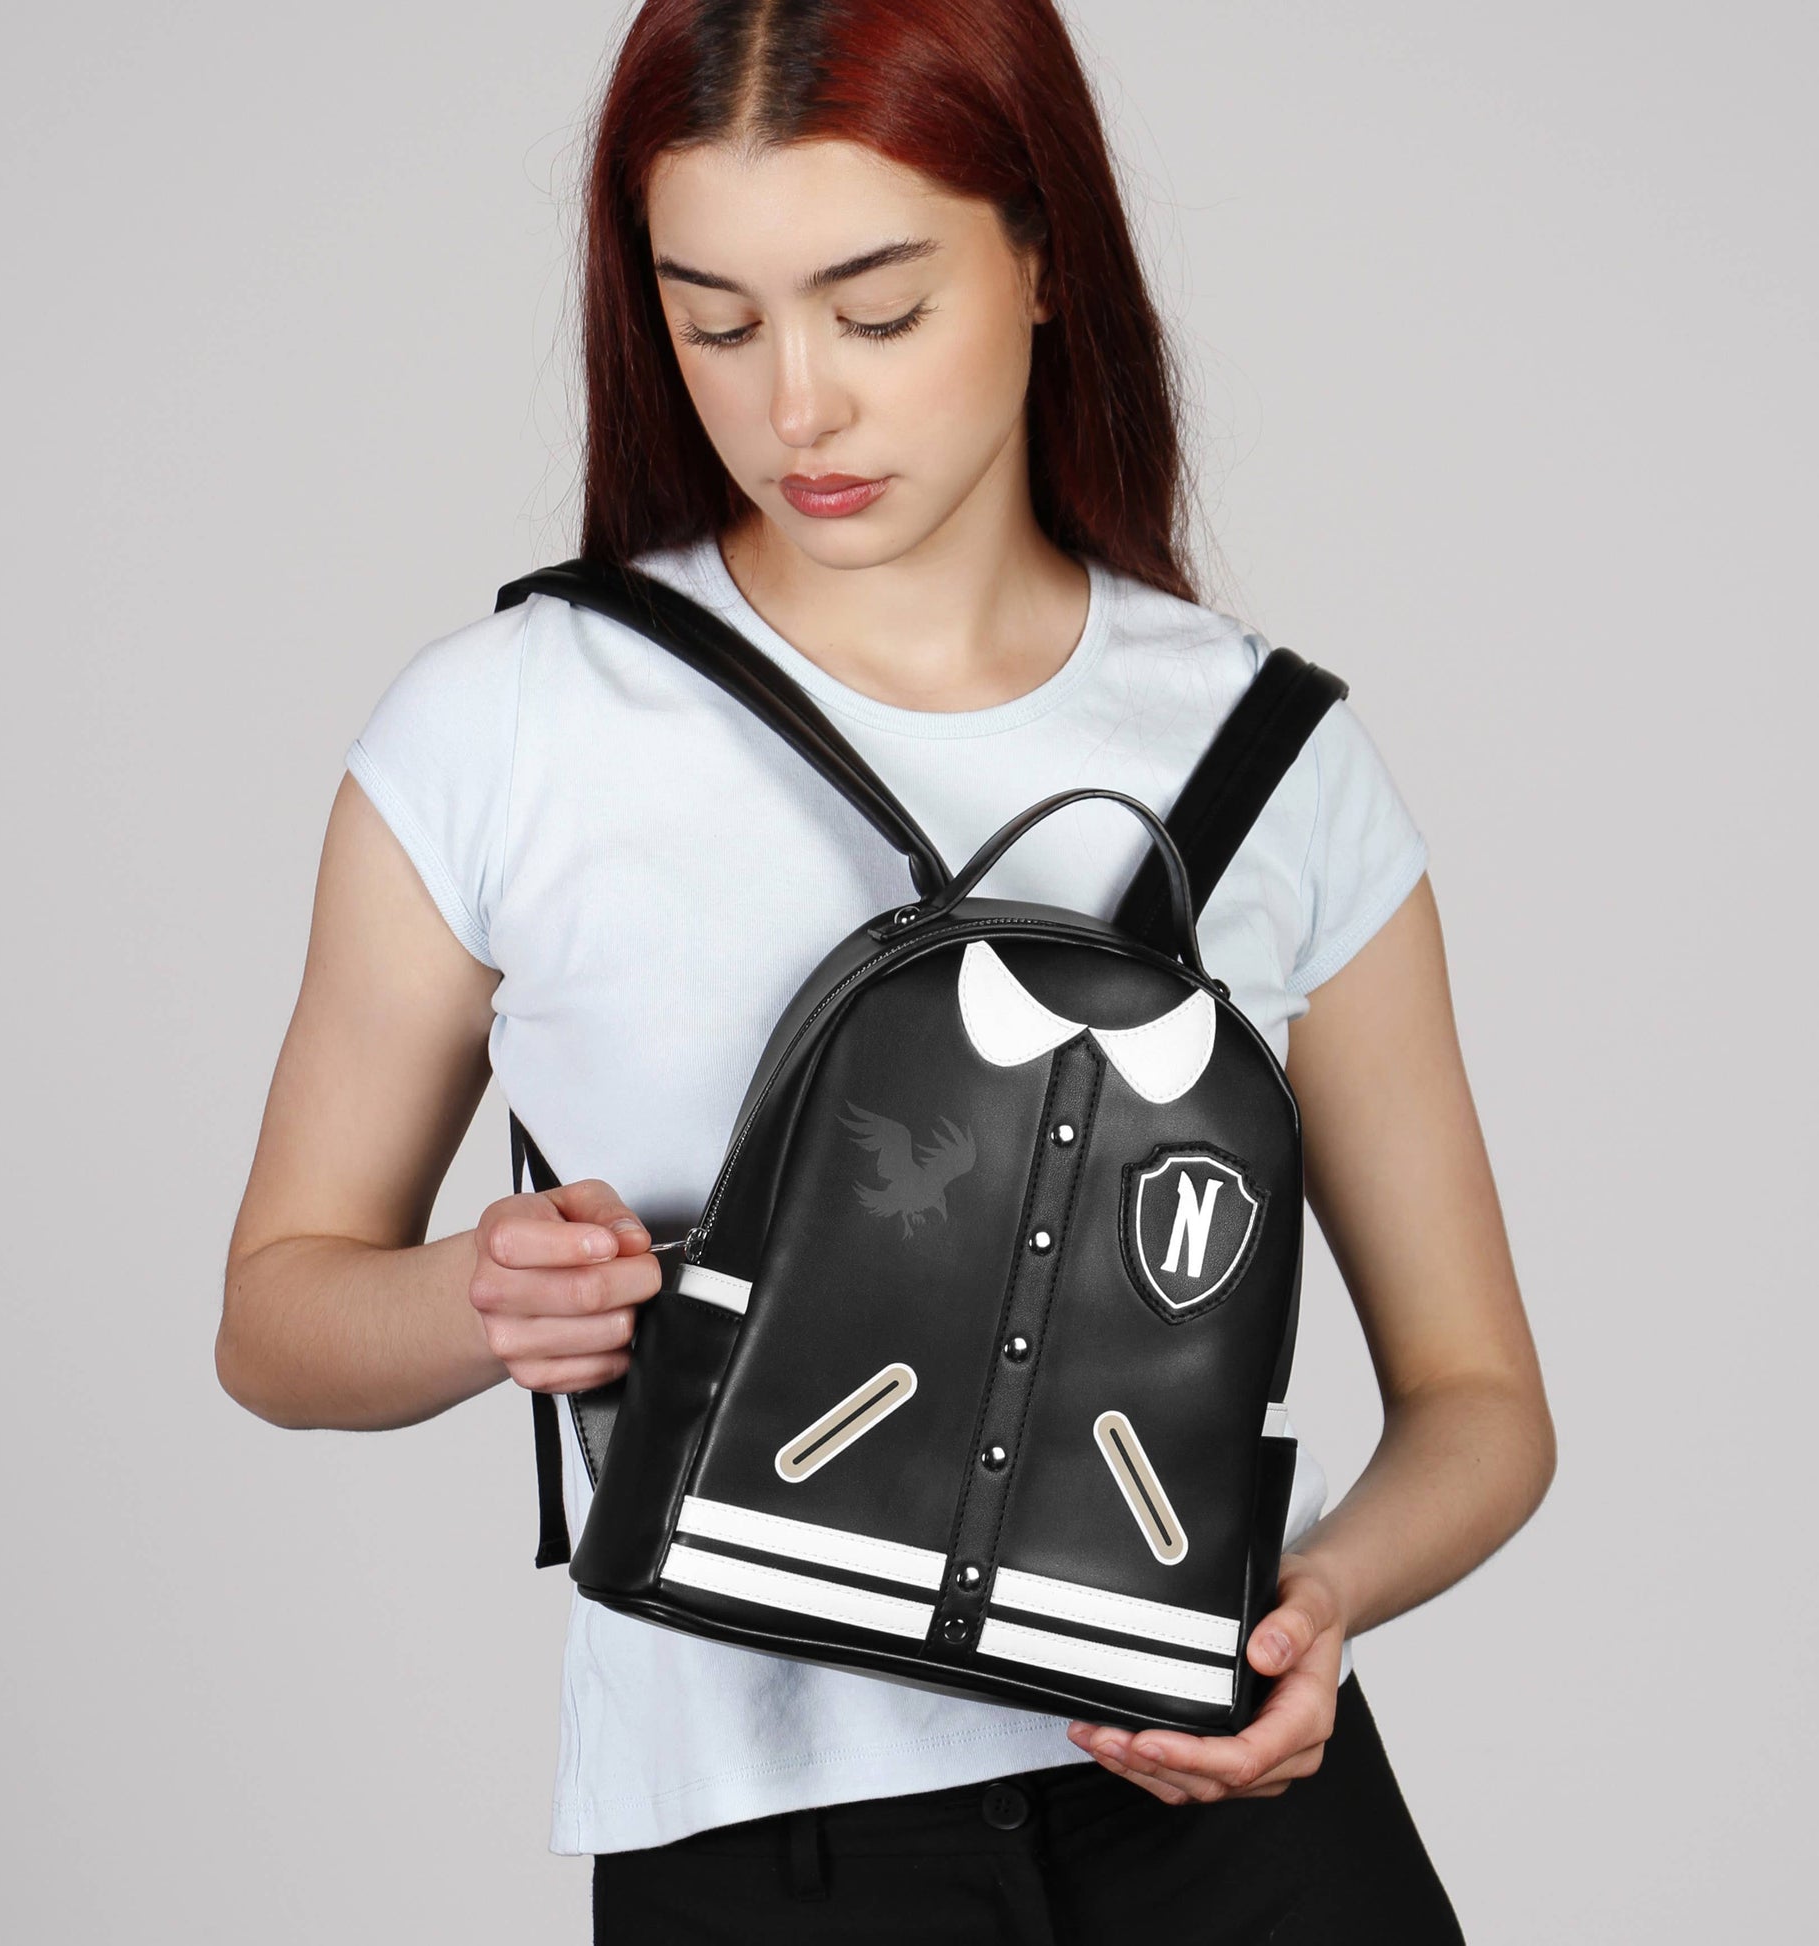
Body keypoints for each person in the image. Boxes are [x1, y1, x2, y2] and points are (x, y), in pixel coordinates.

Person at [216, 1, 1555, 1937]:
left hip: (1230, 1846)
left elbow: (1480, 1397)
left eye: (875, 311)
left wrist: (1313, 1601)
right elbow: (275, 1316)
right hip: (769, 1865)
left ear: (1039, 260)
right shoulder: (504, 727)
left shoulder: (1268, 752)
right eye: (715, 322)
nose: (797, 410)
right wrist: (477, 1298)